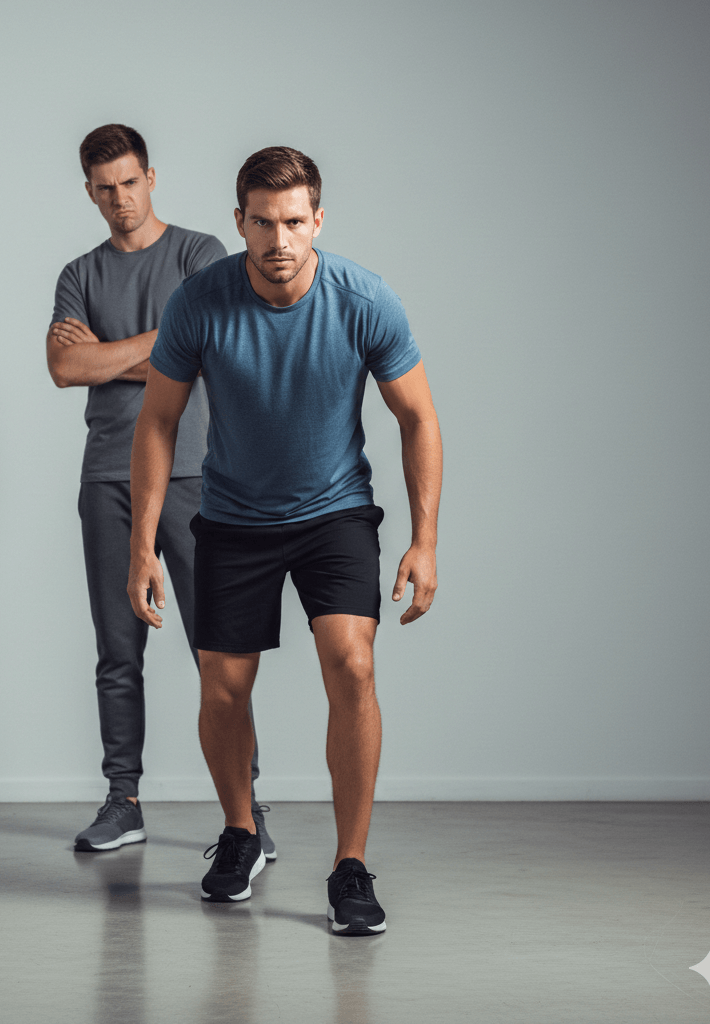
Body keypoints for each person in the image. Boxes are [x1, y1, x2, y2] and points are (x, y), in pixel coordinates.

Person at [127, 146, 442, 934]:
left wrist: (425, 538)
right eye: (262, 222)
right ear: (239, 222)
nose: (279, 240)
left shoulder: (364, 299)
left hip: (335, 513)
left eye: (294, 222)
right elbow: (158, 422)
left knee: (354, 663)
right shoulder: (200, 301)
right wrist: (141, 546)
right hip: (233, 517)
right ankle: (240, 832)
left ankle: (351, 866)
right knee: (224, 690)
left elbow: (417, 418)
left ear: (318, 221)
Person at [47, 124, 274, 857]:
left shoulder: (201, 254)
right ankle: (123, 800)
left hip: (200, 473)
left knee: (221, 648)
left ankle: (246, 812)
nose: (120, 199)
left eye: (130, 182)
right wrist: (167, 346)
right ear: (90, 191)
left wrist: (111, 357)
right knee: (117, 650)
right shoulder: (79, 274)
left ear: (152, 176)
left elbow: (213, 350)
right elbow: (64, 368)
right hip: (107, 474)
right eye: (105, 188)